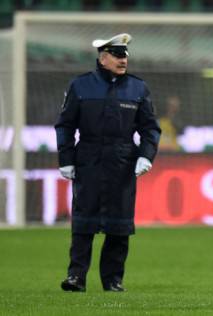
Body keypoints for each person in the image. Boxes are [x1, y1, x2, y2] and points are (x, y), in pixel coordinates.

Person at [55, 33, 161, 292]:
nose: (123, 59)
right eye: (117, 54)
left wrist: (146, 155)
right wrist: (66, 159)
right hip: (88, 159)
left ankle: (113, 279)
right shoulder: (80, 86)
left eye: (125, 54)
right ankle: (76, 277)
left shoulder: (138, 88)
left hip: (122, 160)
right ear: (103, 58)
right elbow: (65, 125)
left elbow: (150, 128)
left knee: (120, 222)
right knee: (83, 220)